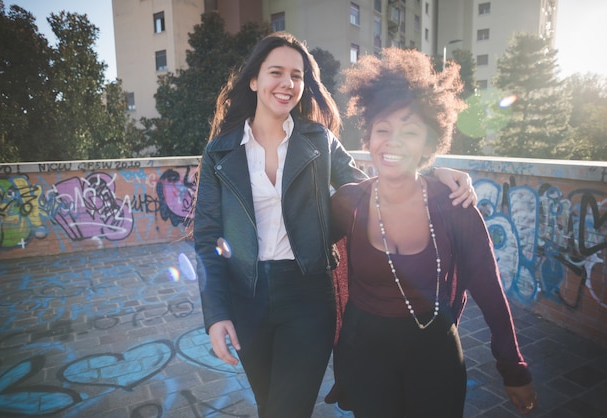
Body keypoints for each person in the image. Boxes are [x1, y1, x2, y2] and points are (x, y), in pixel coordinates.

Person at [193, 32, 476, 418]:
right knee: (269, 404)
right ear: (254, 80)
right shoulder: (220, 151)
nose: (288, 83)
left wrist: (432, 173)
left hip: (308, 296)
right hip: (246, 298)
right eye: (276, 72)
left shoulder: (318, 141)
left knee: (287, 409)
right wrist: (216, 314)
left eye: (298, 75)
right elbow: (208, 237)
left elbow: (370, 188)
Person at [326, 48, 537, 417]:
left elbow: (489, 290)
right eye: (382, 129)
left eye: (409, 131)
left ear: (429, 143)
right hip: (363, 358)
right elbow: (300, 252)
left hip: (436, 357)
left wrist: (514, 369)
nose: (392, 142)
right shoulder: (348, 202)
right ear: (369, 137)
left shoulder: (453, 206)